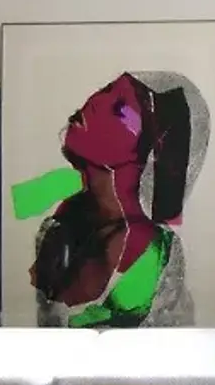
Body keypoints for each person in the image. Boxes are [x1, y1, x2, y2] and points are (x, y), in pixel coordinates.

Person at [30, 71, 203, 328]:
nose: (95, 101)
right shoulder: (57, 232)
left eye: (120, 109)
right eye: (106, 89)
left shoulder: (160, 255)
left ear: (151, 150)